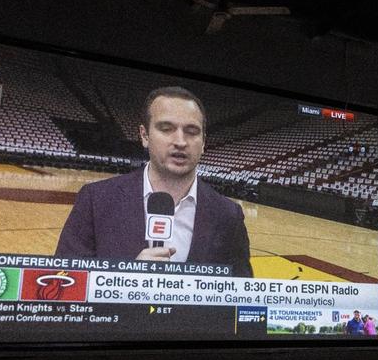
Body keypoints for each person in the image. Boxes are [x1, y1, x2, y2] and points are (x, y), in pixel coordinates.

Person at [55, 86, 252, 276]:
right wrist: (126, 279)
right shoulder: (95, 200)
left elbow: (240, 297)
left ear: (203, 142)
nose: (180, 142)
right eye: (166, 129)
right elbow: (63, 282)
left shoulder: (228, 215)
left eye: (192, 131)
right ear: (144, 136)